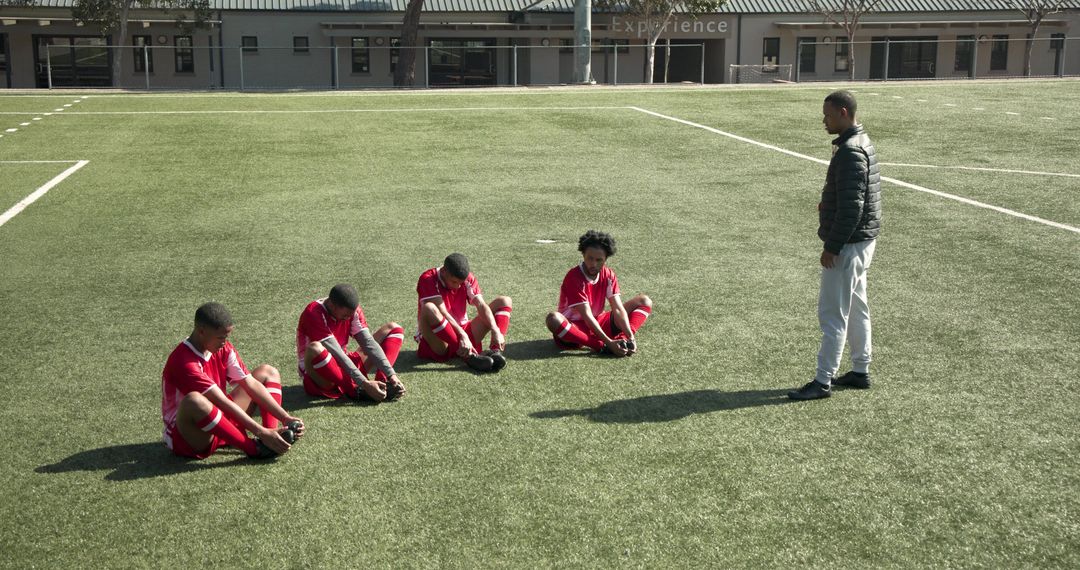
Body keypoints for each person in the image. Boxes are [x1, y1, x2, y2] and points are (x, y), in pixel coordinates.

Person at [789, 90, 882, 401]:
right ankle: (860, 369)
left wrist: (832, 245)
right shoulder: (859, 143)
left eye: (828, 115)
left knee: (833, 313)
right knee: (857, 306)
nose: (824, 121)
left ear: (843, 113)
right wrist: (827, 206)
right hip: (862, 240)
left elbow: (852, 208)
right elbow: (852, 198)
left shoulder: (850, 152)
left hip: (849, 244)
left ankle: (822, 380)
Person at [162, 302, 304, 460]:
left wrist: (285, 417)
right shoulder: (184, 362)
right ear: (201, 331)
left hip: (219, 419)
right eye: (221, 337)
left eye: (227, 336)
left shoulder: (222, 347)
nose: (224, 342)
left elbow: (250, 384)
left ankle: (272, 436)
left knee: (267, 372)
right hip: (190, 435)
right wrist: (258, 431)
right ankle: (253, 449)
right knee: (195, 401)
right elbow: (221, 401)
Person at [545, 230, 652, 356]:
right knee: (553, 319)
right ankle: (599, 346)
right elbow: (587, 316)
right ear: (583, 254)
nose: (593, 264)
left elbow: (618, 308)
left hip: (599, 322)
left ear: (605, 259)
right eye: (590, 258)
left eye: (599, 260)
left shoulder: (608, 275)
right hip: (575, 330)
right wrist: (608, 343)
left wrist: (630, 337)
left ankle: (623, 340)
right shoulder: (574, 277)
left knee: (644, 301)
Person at [297, 284, 406, 403]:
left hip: (344, 367)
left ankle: (384, 385)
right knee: (315, 348)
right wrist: (364, 383)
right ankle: (356, 391)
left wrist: (391, 374)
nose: (348, 318)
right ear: (332, 306)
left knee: (394, 329)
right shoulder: (313, 313)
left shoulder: (352, 310)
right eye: (345, 316)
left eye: (350, 315)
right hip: (321, 374)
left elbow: (368, 343)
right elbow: (337, 353)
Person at [415, 253, 512, 372]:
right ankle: (469, 357)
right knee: (429, 308)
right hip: (439, 341)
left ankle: (495, 351)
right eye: (454, 282)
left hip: (462, 332)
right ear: (444, 271)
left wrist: (495, 330)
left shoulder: (467, 278)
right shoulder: (428, 278)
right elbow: (442, 311)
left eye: (461, 283)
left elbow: (481, 305)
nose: (458, 286)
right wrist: (462, 334)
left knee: (504, 301)